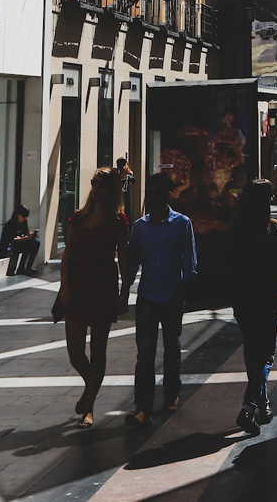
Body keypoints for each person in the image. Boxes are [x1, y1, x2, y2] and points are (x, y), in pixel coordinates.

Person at [123, 172, 198, 426]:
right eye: (149, 192)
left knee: (171, 348)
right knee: (144, 352)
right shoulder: (139, 227)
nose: (152, 197)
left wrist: (187, 288)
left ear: (168, 194)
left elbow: (190, 259)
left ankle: (171, 393)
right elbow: (132, 263)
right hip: (147, 297)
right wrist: (124, 293)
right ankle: (142, 407)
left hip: (172, 295)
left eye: (157, 192)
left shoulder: (181, 223)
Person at [59, 167, 129, 429]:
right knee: (75, 353)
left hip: (103, 287)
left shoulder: (118, 220)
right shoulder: (78, 218)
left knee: (98, 350)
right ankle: (91, 390)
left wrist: (124, 293)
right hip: (77, 286)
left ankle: (88, 408)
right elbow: (67, 255)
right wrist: (64, 286)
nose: (96, 188)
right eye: (93, 183)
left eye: (101, 184)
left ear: (111, 189)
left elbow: (123, 258)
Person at [228, 179, 277, 436]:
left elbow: (230, 264)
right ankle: (249, 406)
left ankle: (263, 405)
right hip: (266, 298)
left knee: (252, 352)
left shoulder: (236, 228)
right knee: (266, 353)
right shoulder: (271, 228)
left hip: (244, 299)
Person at [0, 205, 39, 275]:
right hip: (10, 247)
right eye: (23, 216)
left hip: (20, 243)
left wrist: (32, 235)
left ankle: (28, 266)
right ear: (18, 215)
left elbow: (25, 233)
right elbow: (12, 239)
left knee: (36, 242)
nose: (25, 219)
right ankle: (21, 268)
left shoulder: (24, 222)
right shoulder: (10, 225)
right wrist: (26, 238)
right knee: (28, 244)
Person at [116, 156, 135, 222]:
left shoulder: (127, 176)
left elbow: (132, 181)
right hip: (122, 196)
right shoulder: (124, 175)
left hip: (121, 196)